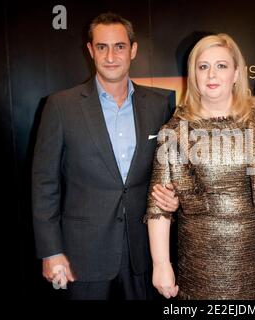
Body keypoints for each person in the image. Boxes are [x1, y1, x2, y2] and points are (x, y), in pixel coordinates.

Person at [32, 12, 178, 300]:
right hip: (83, 255)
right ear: (90, 50)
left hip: (143, 252)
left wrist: (174, 196)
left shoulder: (159, 104)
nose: (111, 56)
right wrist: (51, 250)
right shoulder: (61, 106)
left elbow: (169, 171)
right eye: (102, 47)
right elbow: (44, 183)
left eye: (119, 46)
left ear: (133, 50)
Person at [144, 33, 255, 300]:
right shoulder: (175, 129)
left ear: (237, 73)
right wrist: (161, 265)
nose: (211, 75)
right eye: (203, 66)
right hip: (199, 267)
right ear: (193, 75)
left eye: (221, 66)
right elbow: (158, 205)